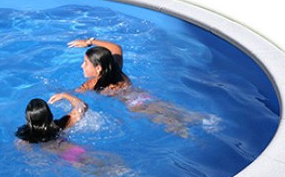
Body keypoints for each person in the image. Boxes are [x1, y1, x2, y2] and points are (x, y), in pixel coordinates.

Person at [67, 36, 201, 138]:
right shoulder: (116, 69)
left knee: (171, 125)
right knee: (174, 111)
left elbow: (74, 94)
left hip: (134, 106)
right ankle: (204, 120)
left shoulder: (91, 84)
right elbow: (116, 48)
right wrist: (89, 42)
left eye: (85, 63)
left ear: (98, 68)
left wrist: (63, 95)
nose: (82, 66)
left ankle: (194, 138)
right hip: (144, 96)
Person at [15, 93, 88, 143]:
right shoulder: (59, 126)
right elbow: (82, 106)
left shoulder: (24, 135)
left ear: (28, 118)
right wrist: (64, 95)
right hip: (64, 148)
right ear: (49, 114)